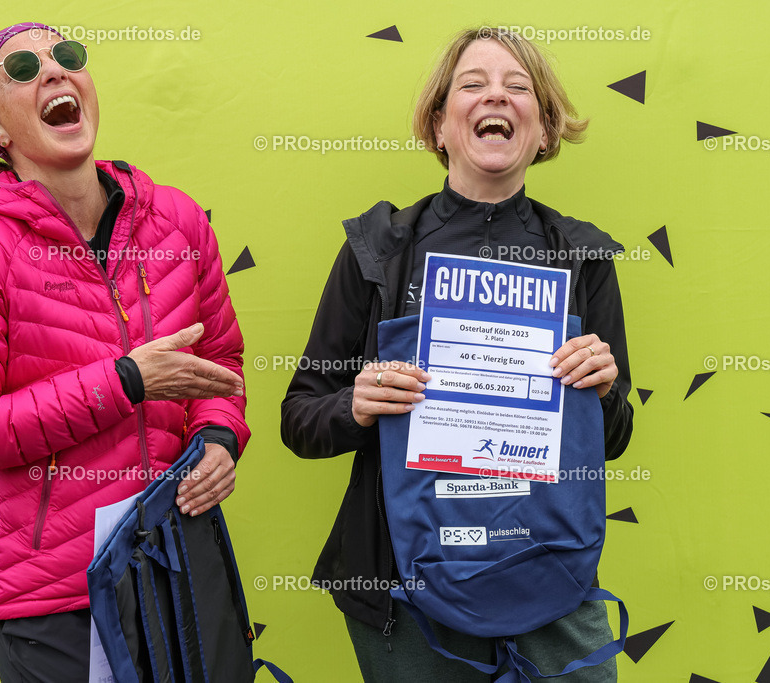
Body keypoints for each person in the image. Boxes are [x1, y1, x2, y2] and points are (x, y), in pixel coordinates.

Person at [281, 26, 633, 681]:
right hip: (401, 590)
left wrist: (603, 389)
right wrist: (355, 404)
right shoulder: (378, 249)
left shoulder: (583, 257)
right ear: (439, 124)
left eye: (517, 87)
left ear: (544, 128)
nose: (494, 96)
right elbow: (299, 416)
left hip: (547, 574)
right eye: (472, 84)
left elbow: (614, 439)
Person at [0, 23, 248, 682]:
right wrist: (125, 380)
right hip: (58, 597)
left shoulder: (178, 220)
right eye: (24, 68)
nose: (54, 72)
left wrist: (217, 438)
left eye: (67, 56)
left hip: (180, 569)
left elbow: (221, 364)